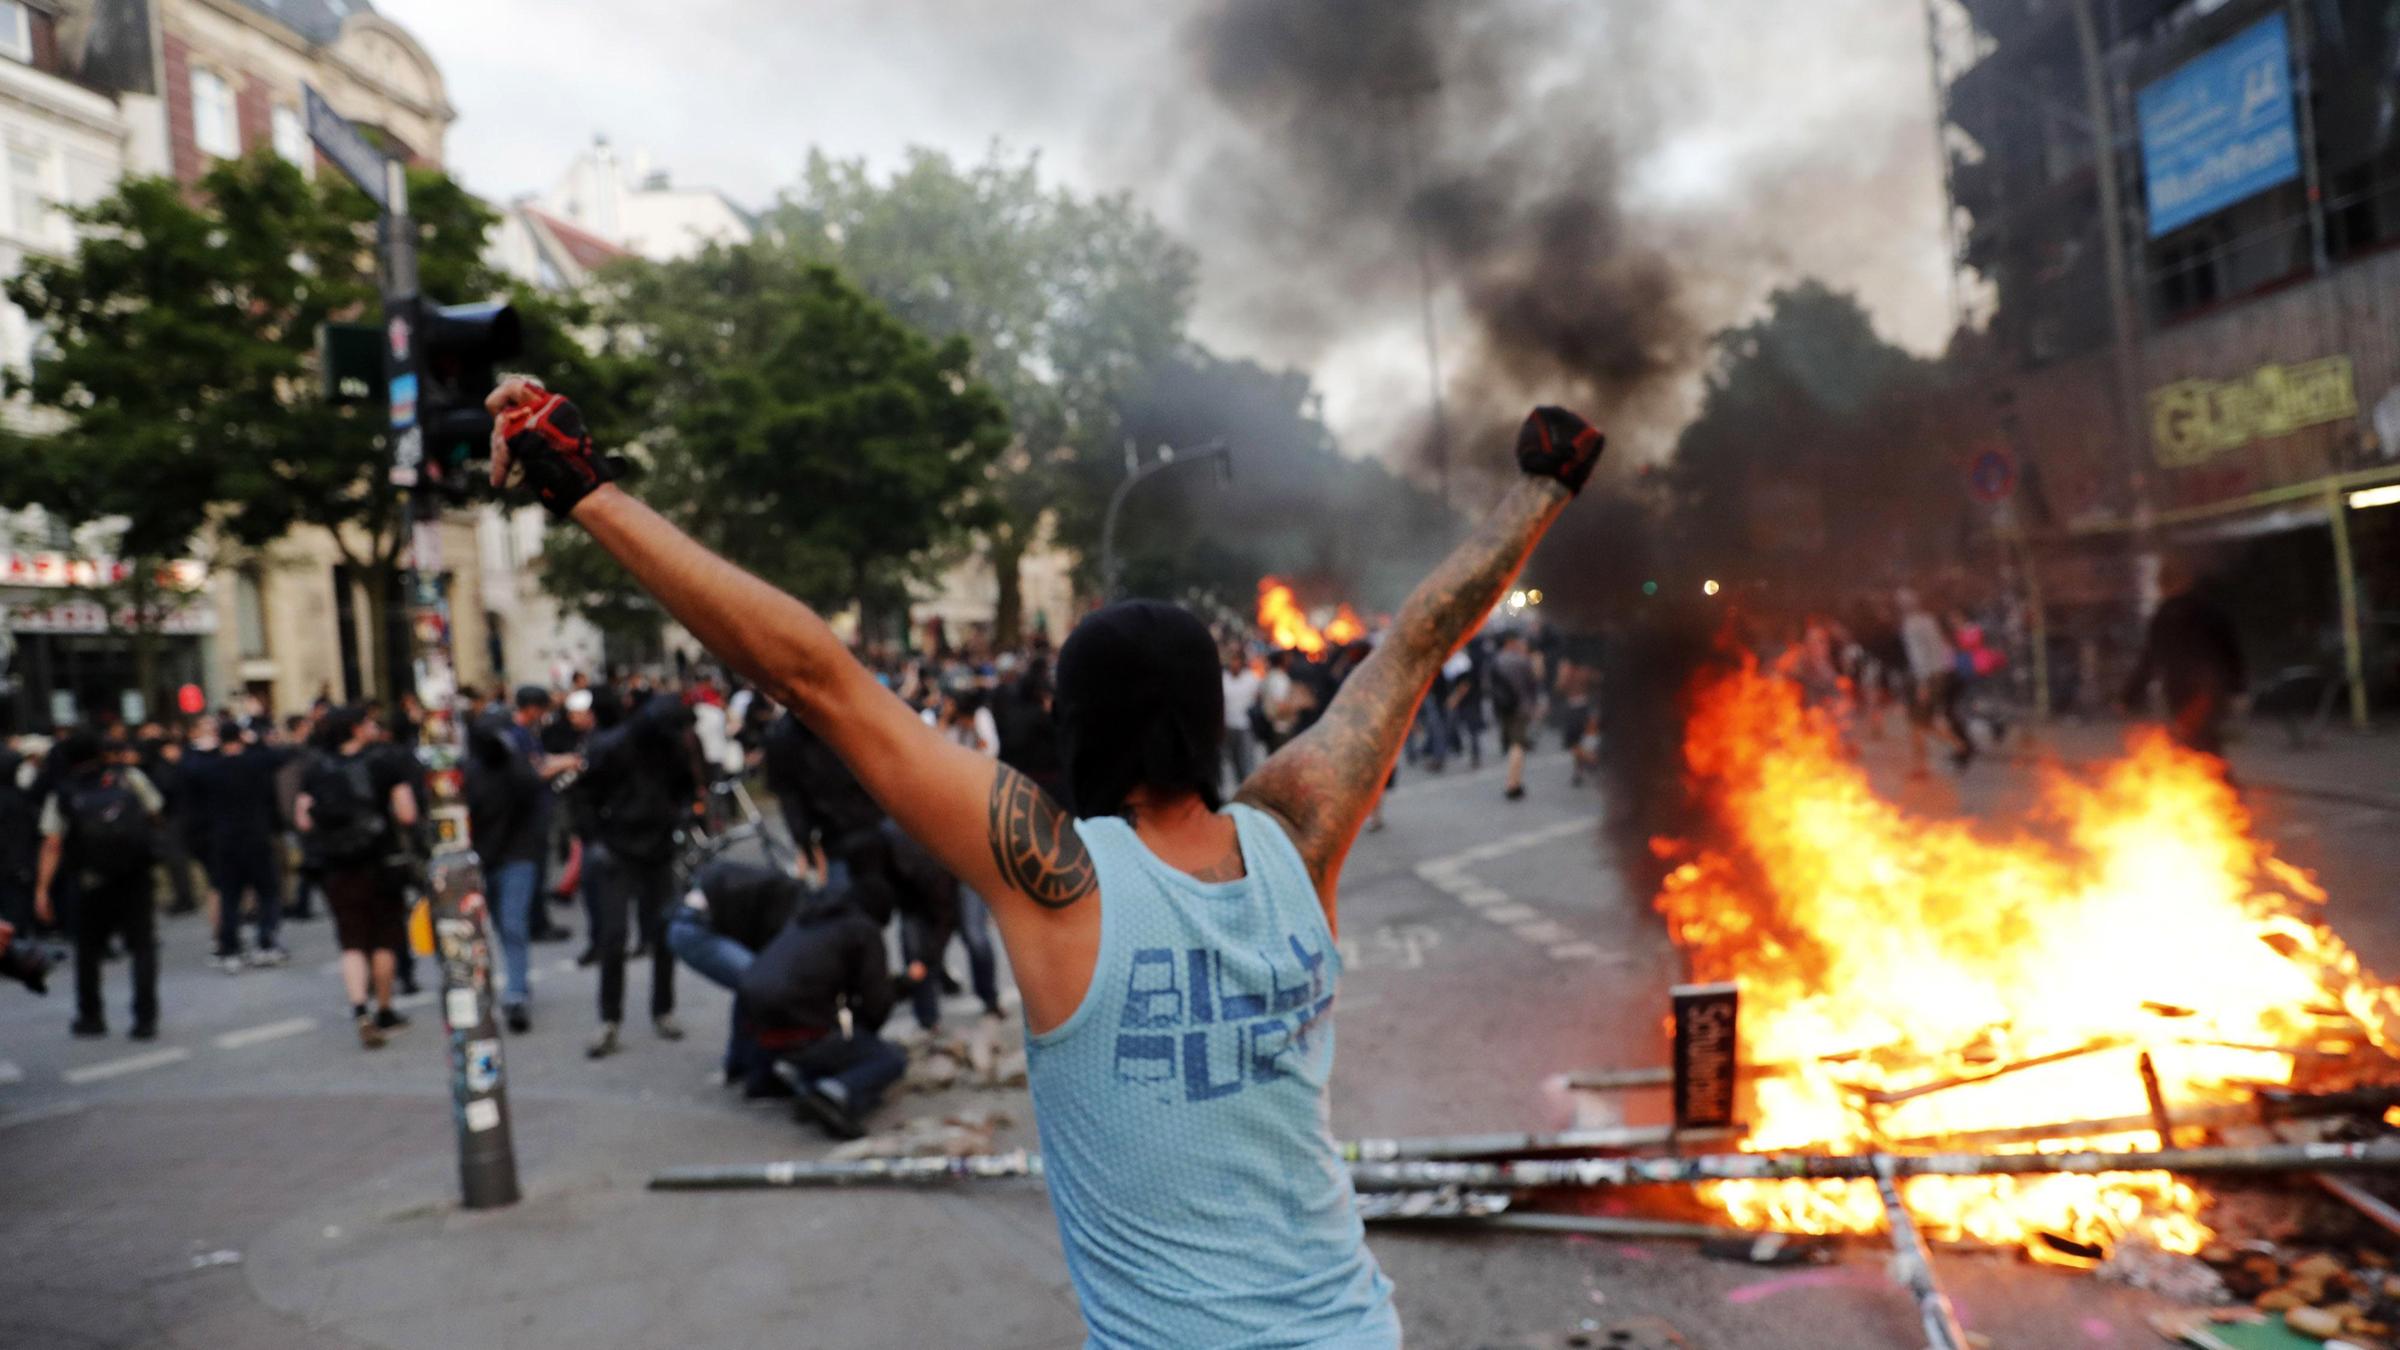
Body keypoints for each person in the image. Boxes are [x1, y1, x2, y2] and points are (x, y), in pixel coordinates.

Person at [486, 375, 1601, 1345]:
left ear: (1079, 724)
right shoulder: (1298, 836)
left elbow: (818, 677)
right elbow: (1412, 644)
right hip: (1354, 1330)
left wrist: (587, 490)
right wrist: (1542, 489)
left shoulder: (1058, 878)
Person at [741, 864, 902, 1138]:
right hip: (799, 1024)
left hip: (753, 1016)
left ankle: (765, 1077)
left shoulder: (807, 916)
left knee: (790, 1020)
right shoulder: (863, 930)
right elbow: (877, 1001)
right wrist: (866, 1035)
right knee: (890, 1058)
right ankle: (834, 1094)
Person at [577, 688, 696, 1057]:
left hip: (655, 847)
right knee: (614, 937)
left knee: (662, 933)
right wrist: (596, 841)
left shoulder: (668, 747)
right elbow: (586, 797)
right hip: (619, 849)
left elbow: (685, 788)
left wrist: (680, 818)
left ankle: (662, 1009)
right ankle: (611, 1018)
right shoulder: (614, 748)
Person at [297, 707, 416, 1049]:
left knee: (351, 941)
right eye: (369, 722)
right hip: (380, 861)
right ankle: (384, 1007)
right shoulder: (384, 763)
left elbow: (303, 819)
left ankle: (359, 1009)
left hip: (337, 865)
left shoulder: (316, 768)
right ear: (356, 728)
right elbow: (407, 812)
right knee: (383, 938)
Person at [35, 733, 162, 1038]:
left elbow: (52, 843)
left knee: (88, 951)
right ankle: (144, 1019)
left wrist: (42, 890)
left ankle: (91, 1016)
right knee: (142, 947)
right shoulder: (129, 778)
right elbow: (155, 811)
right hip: (135, 876)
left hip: (89, 881)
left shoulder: (63, 792)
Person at [666, 857, 801, 1096]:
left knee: (751, 985)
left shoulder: (783, 891)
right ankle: (758, 1075)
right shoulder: (790, 905)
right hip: (696, 928)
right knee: (761, 986)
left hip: (690, 922)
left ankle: (740, 1064)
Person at [466, 713, 546, 1033]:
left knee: (511, 924)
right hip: (492, 858)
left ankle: (516, 992)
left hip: (516, 856)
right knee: (503, 924)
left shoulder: (515, 768)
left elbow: (532, 791)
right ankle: (516, 984)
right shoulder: (473, 772)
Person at [2122, 563, 2246, 759]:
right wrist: (2237, 688)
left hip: (2185, 690)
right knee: (2200, 739)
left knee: (2196, 740)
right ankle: (2213, 783)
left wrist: (2130, 696)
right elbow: (2230, 650)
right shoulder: (2209, 609)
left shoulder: (2166, 614)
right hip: (2210, 689)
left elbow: (2150, 659)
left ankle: (2217, 784)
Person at [206, 719, 296, 971]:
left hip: (225, 839)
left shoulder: (211, 769)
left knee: (230, 897)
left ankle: (231, 948)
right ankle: (265, 942)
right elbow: (282, 755)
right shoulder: (255, 762)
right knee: (267, 892)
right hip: (256, 836)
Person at [1491, 629, 1542, 800]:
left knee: (1512, 743)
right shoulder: (1522, 660)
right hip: (1522, 706)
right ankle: (1513, 783)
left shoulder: (1497, 660)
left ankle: (1513, 781)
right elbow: (1534, 681)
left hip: (1504, 707)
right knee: (1518, 745)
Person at [1221, 646, 1262, 793]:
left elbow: (1259, 697)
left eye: (1237, 660)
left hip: (1245, 726)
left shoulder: (1251, 678)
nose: (1235, 664)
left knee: (1245, 761)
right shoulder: (1223, 678)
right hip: (1227, 726)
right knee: (1228, 762)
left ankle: (1246, 791)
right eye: (1232, 660)